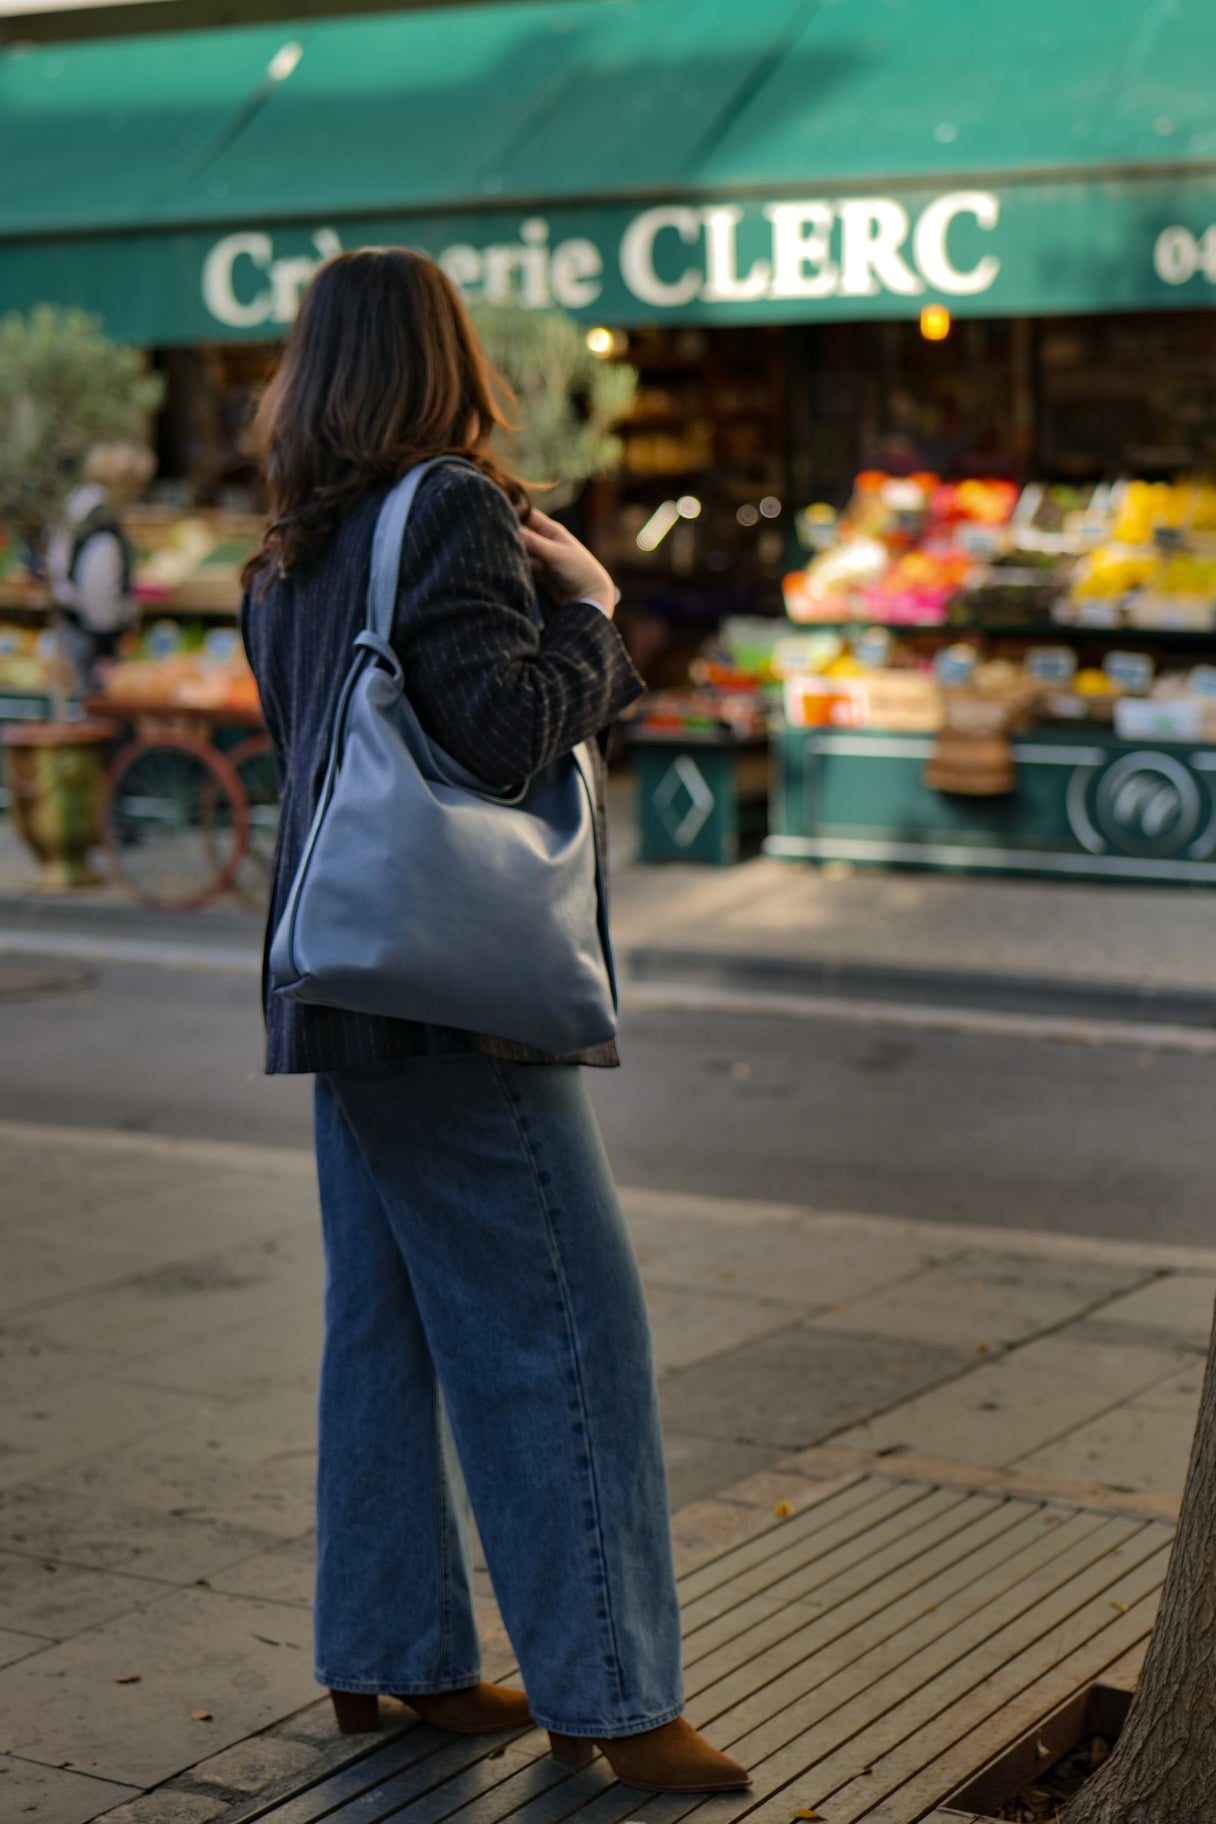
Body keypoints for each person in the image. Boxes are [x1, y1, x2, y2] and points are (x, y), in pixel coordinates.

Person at [240, 248, 750, 1796]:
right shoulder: (449, 504)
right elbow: (509, 725)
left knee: (381, 1332)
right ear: (443, 355)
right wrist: (598, 614)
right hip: (455, 1000)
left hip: (342, 973)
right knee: (568, 1335)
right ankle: (612, 1692)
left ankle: (392, 1658)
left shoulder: (289, 548)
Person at [47, 442, 155, 693]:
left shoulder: (78, 504)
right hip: (91, 635)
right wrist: (108, 643)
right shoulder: (102, 526)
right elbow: (99, 590)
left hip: (73, 621)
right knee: (94, 702)